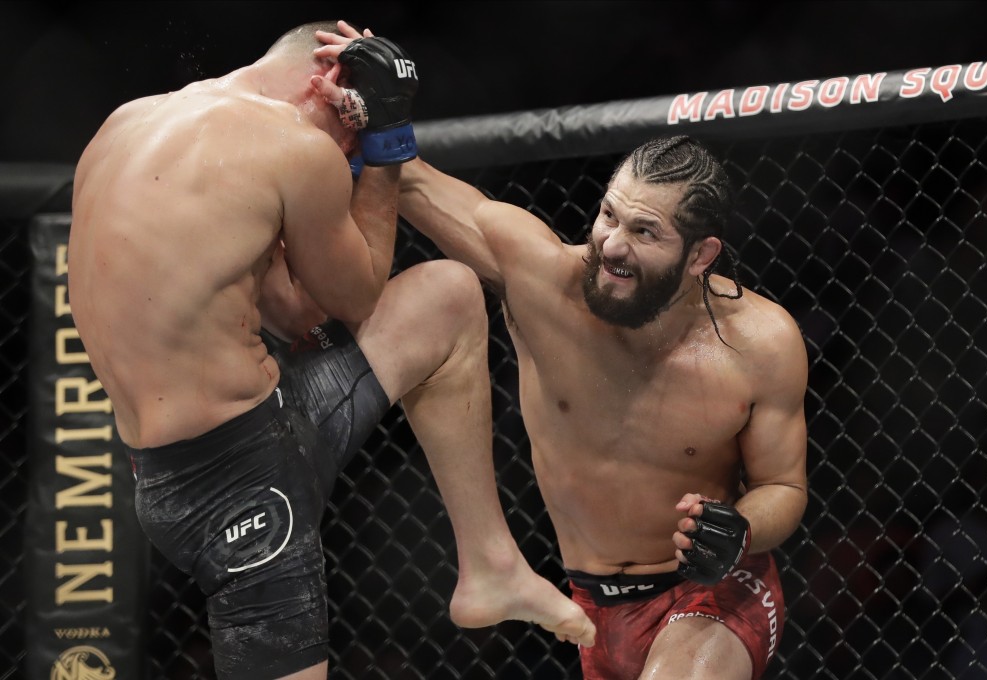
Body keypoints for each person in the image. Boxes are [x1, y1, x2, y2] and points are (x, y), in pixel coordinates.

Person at [67, 19, 594, 680]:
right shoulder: (291, 145)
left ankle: (491, 565)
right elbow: (359, 297)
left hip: (163, 475)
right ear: (330, 83)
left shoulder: (127, 124)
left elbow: (294, 311)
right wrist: (385, 147)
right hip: (246, 483)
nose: (346, 161)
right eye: (352, 136)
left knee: (449, 296)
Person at [313, 23, 809, 680]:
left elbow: (782, 485)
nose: (610, 244)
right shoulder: (542, 282)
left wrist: (739, 530)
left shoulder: (760, 342)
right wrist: (369, 103)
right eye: (609, 215)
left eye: (644, 231)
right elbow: (415, 181)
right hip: (588, 606)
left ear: (701, 256)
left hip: (713, 595)